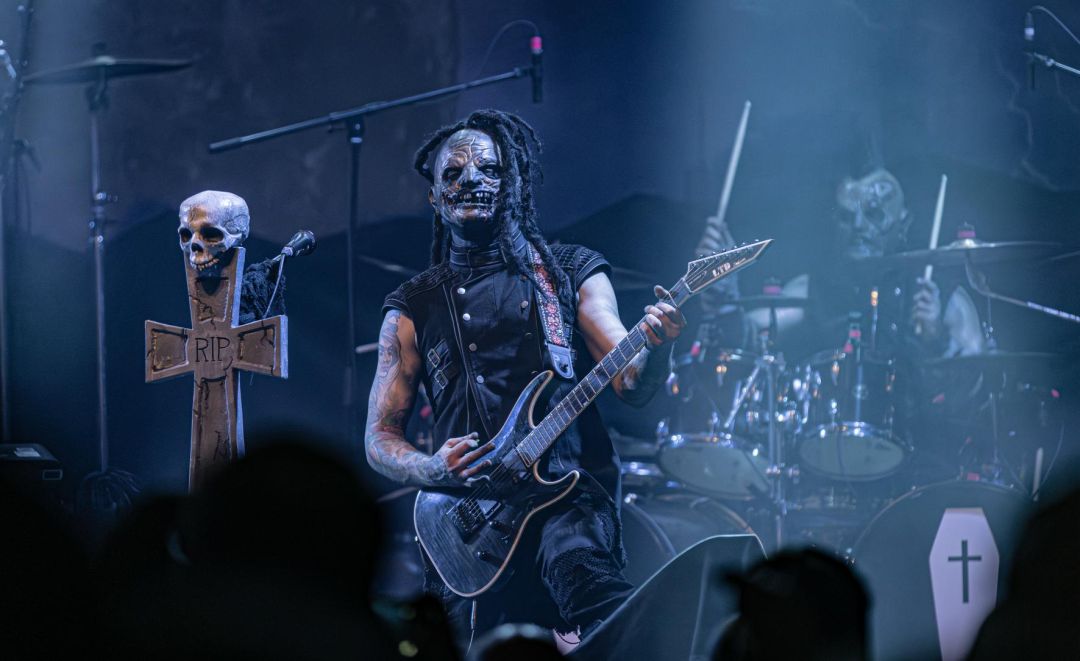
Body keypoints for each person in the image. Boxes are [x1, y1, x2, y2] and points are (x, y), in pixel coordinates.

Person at [364, 110, 685, 645]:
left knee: (606, 612)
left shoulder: (571, 271)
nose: (471, 180)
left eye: (488, 170)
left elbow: (630, 382)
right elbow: (379, 437)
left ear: (512, 183)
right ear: (435, 198)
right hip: (466, 523)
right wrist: (432, 466)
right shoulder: (411, 307)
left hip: (566, 500)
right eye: (453, 174)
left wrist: (658, 346)